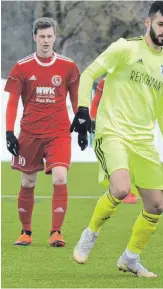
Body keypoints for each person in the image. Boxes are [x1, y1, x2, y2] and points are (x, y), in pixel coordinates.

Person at [70, 1, 163, 277]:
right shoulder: (125, 48)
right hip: (113, 132)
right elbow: (88, 74)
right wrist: (83, 110)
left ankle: (130, 258)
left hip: (143, 140)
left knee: (156, 205)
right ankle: (91, 233)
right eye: (161, 24)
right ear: (148, 22)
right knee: (120, 188)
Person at [4, 17, 81, 247]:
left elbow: (76, 99)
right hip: (30, 133)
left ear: (55, 37)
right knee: (28, 181)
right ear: (34, 38)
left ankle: (56, 232)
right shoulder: (22, 66)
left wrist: (82, 121)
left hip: (58, 133)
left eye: (49, 36)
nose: (46, 41)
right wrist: (9, 132)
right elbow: (12, 102)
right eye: (42, 37)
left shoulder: (68, 66)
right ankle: (25, 232)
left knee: (60, 176)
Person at [90, 78, 137, 203]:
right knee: (113, 159)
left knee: (129, 158)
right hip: (108, 127)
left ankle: (126, 190)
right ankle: (118, 188)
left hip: (128, 126)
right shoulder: (105, 82)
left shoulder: (134, 80)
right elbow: (96, 102)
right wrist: (93, 119)